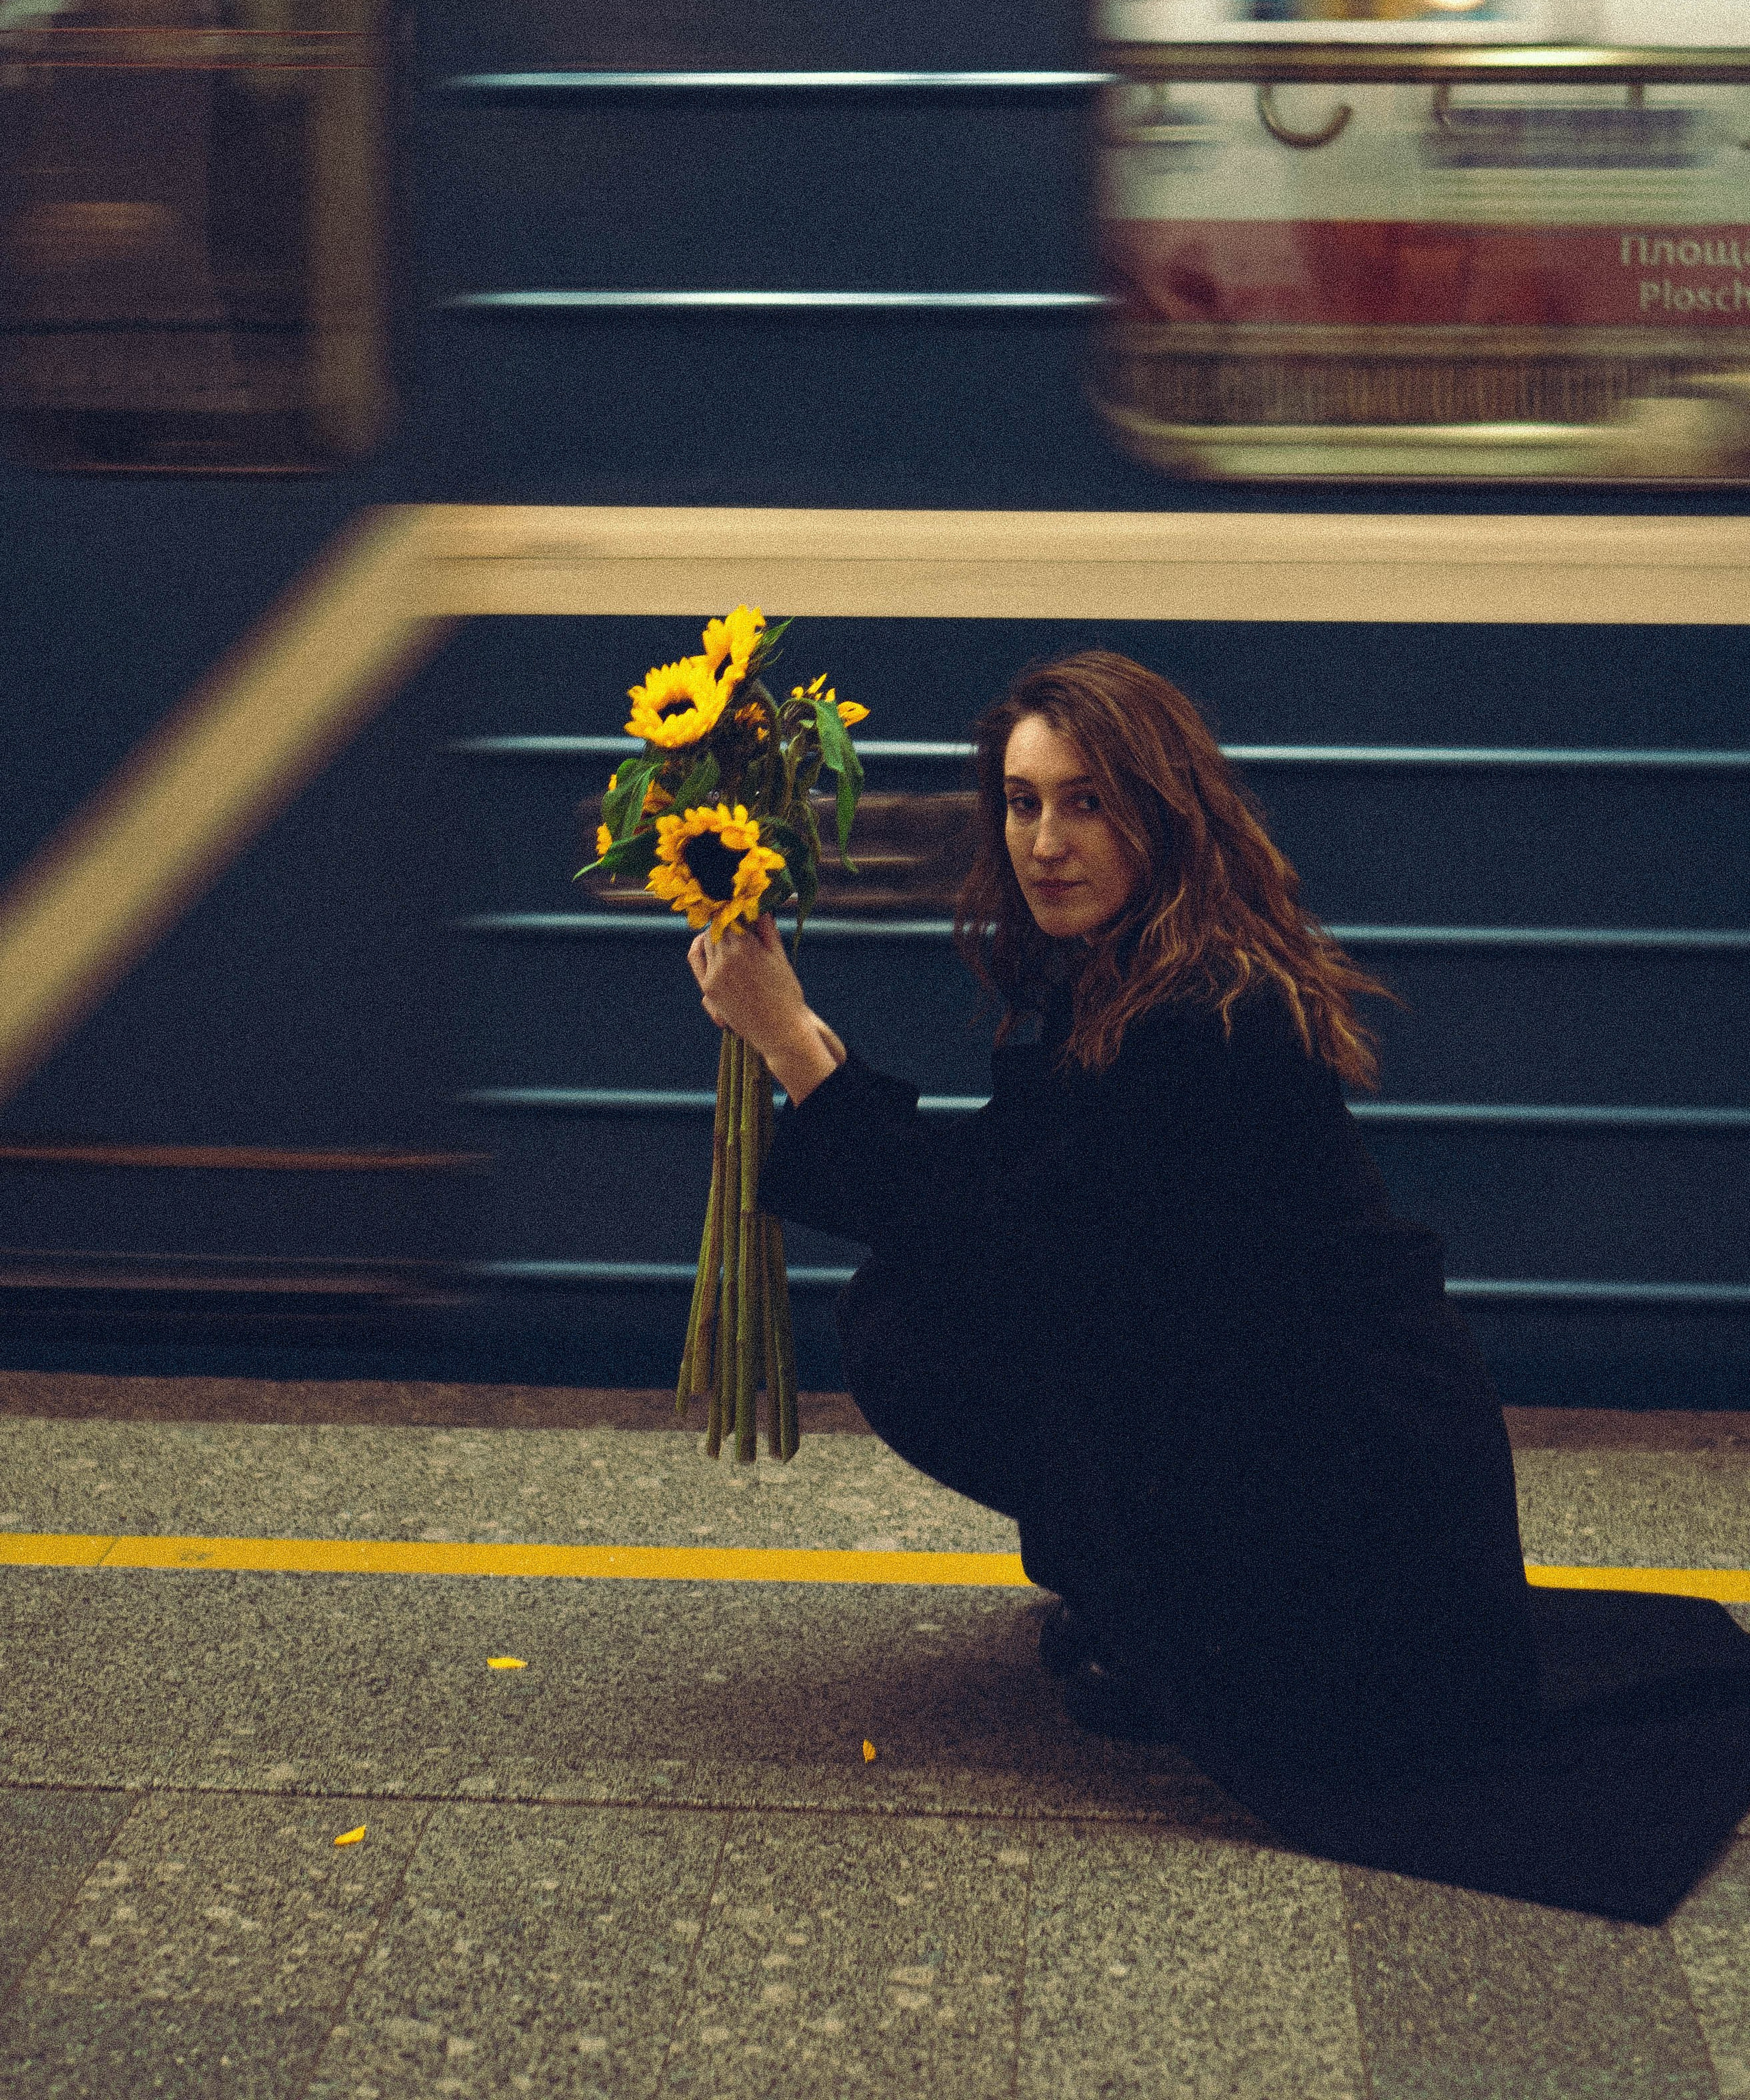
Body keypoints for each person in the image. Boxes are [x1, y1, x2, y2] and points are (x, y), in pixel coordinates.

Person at [688, 648, 1750, 1924]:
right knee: (918, 1308)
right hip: (1310, 1443)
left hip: (1342, 1503)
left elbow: (1006, 1243)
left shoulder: (1206, 1018)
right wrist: (816, 1057)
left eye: (1088, 802)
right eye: (1022, 803)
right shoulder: (1144, 969)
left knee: (921, 1320)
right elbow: (1015, 1185)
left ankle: (1182, 1618)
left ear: (1166, 811)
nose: (1043, 841)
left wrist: (798, 1049)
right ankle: (1153, 1592)